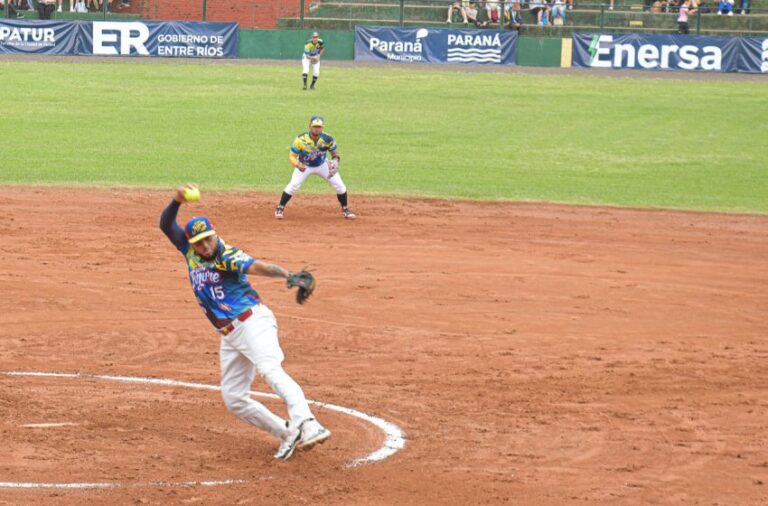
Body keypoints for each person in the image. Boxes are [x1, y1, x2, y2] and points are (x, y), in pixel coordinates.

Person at [159, 184, 331, 461]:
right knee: (234, 398)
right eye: (199, 242)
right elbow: (166, 224)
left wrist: (287, 275)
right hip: (230, 335)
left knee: (270, 369)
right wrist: (176, 201)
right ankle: (288, 432)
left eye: (208, 239)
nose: (205, 246)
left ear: (215, 234)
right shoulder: (189, 251)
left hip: (252, 322)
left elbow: (257, 266)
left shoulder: (226, 255)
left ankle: (309, 422)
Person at [275, 116, 356, 221]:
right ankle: (280, 208)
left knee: (340, 186)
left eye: (319, 127)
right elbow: (292, 156)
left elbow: (335, 153)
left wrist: (335, 161)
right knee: (293, 185)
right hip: (304, 166)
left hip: (322, 165)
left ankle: (345, 209)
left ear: (322, 128)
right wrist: (297, 165)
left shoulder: (327, 138)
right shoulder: (301, 139)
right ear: (309, 126)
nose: (317, 129)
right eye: (314, 126)